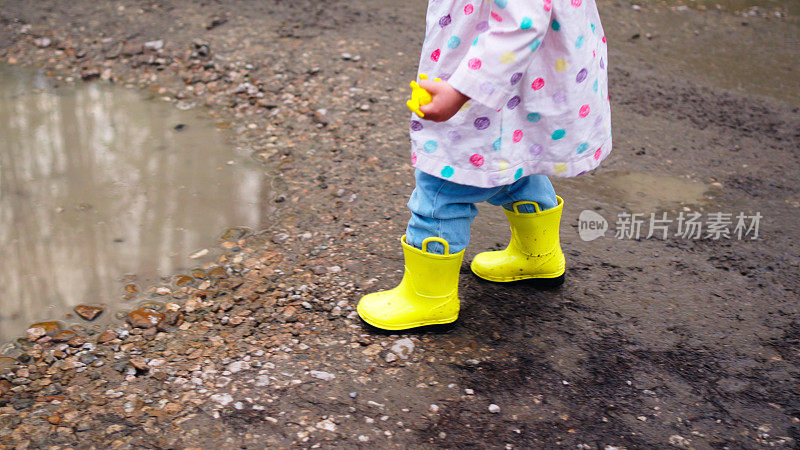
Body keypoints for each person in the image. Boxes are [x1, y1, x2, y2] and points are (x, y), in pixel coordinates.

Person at [357, 0, 612, 330]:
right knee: (515, 163)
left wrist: (460, 90)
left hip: (493, 86)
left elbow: (520, 24)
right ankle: (538, 256)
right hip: (526, 80)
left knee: (443, 183)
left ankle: (429, 298)